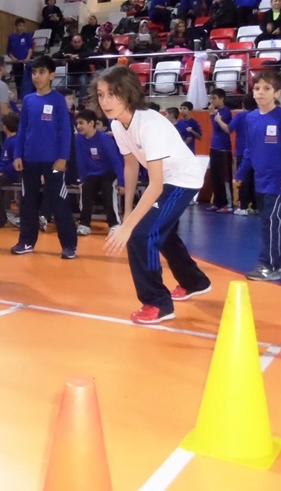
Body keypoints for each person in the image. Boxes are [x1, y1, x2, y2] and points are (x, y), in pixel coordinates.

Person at [96, 66, 212, 324]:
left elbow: (156, 184)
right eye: (101, 94)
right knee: (162, 232)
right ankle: (195, 282)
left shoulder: (149, 124)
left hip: (182, 179)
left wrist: (129, 227)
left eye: (112, 94)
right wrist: (127, 213)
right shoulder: (118, 125)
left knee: (141, 235)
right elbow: (130, 165)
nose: (105, 101)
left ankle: (158, 303)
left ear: (128, 93)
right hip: (166, 180)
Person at [234, 73, 281, 281]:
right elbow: (249, 150)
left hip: (278, 180)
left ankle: (268, 265)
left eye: (266, 89)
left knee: (270, 222)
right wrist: (241, 173)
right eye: (257, 89)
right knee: (270, 221)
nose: (260, 93)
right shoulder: (250, 118)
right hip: (260, 179)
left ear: (277, 93)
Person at [11, 55, 77, 259]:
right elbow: (22, 130)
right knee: (28, 202)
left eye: (41, 72)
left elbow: (66, 131)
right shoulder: (28, 100)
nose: (36, 76)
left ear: (52, 75)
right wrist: (17, 154)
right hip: (30, 160)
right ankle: (26, 241)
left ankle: (69, 245)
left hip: (54, 162)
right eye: (34, 72)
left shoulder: (58, 100)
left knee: (59, 201)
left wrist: (63, 157)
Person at [74, 109, 124, 236]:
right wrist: (82, 179)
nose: (78, 126)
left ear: (91, 123)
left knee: (108, 190)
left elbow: (116, 160)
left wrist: (122, 182)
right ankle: (84, 224)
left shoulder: (104, 138)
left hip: (108, 173)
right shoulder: (79, 139)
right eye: (77, 123)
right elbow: (80, 160)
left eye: (81, 123)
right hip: (92, 174)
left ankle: (114, 224)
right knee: (86, 189)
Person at [229, 96, 258, 216]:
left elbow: (229, 128)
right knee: (255, 180)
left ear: (243, 105)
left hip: (242, 151)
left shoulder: (240, 116)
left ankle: (243, 207)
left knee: (243, 180)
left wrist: (218, 120)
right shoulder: (260, 115)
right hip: (257, 153)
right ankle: (256, 206)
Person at [207, 89, 233, 212]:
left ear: (222, 99)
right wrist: (212, 114)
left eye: (214, 98)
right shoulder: (216, 112)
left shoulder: (226, 111)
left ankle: (227, 204)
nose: (212, 101)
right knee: (215, 176)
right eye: (211, 98)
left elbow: (219, 127)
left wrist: (213, 115)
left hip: (224, 148)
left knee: (224, 177)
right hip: (214, 147)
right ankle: (217, 203)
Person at [6, 17, 34, 98]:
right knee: (18, 81)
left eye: (23, 25)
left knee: (27, 81)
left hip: (26, 63)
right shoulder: (12, 37)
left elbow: (30, 48)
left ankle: (27, 97)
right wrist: (13, 58)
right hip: (16, 63)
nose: (21, 27)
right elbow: (8, 51)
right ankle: (19, 97)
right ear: (16, 26)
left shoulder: (27, 36)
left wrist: (28, 57)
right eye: (19, 25)